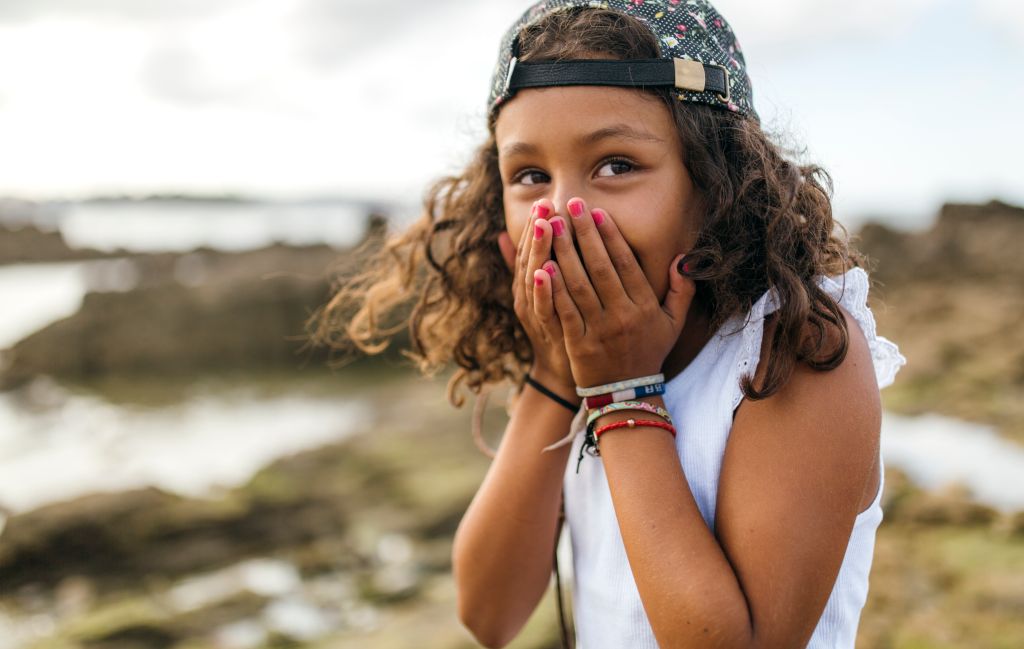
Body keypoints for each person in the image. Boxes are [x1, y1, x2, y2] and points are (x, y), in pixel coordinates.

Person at [311, 0, 907, 647]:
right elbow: (489, 612)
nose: (560, 213)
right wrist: (555, 371)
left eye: (615, 165)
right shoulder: (583, 358)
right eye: (530, 176)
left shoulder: (797, 349)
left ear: (716, 181)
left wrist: (624, 394)